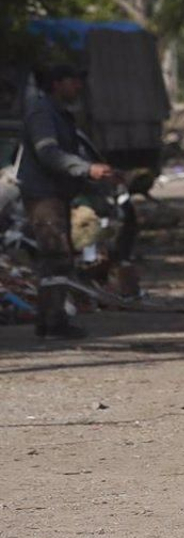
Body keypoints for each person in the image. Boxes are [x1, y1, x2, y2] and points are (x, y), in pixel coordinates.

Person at [17, 64, 117, 338]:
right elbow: (48, 154)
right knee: (55, 256)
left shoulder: (60, 114)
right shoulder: (42, 112)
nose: (78, 87)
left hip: (56, 194)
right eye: (73, 82)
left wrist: (92, 176)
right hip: (43, 196)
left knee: (59, 259)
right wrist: (87, 169)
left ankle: (51, 320)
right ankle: (52, 321)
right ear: (57, 84)